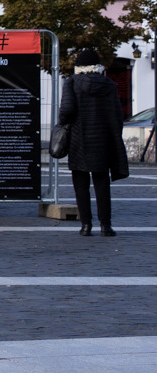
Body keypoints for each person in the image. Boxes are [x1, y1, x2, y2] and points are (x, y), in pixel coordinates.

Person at [58, 48, 128, 237]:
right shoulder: (109, 85)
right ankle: (106, 226)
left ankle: (86, 226)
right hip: (102, 139)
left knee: (80, 184)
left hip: (79, 139)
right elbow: (117, 115)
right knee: (102, 182)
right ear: (98, 66)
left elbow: (66, 111)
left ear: (78, 67)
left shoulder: (71, 83)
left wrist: (63, 124)